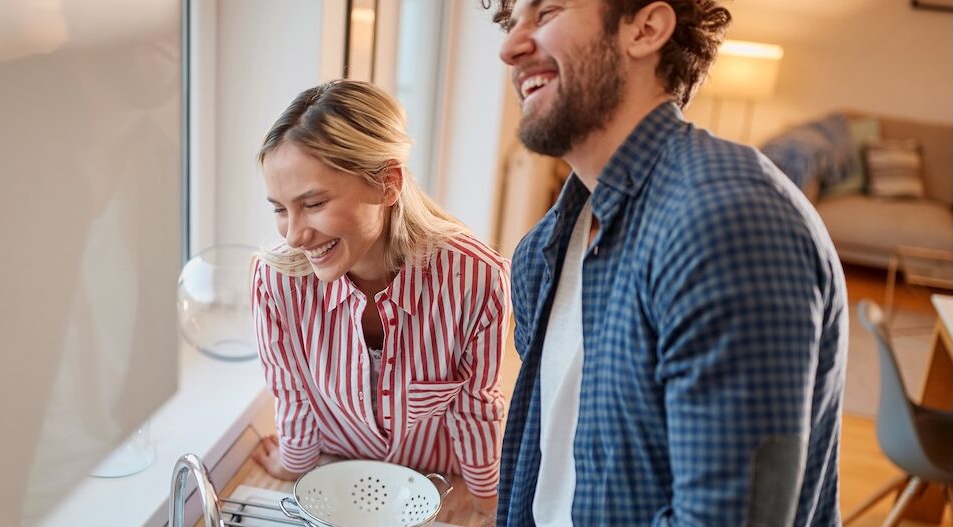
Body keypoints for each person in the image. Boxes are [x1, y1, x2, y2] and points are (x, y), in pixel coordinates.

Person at [485, 1, 848, 525]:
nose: (509, 47)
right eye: (508, 21)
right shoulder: (542, 249)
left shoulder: (728, 223)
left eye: (546, 12)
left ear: (645, 28)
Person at [249, 79, 508, 514]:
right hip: (334, 476)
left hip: (433, 487)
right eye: (280, 208)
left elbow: (475, 406)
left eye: (313, 204)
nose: (294, 236)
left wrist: (487, 502)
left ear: (387, 184)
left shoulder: (476, 278)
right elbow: (292, 393)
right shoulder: (276, 282)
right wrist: (295, 464)